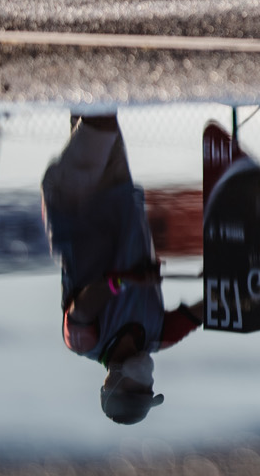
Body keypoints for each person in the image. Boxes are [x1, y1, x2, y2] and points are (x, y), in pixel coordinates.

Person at [40, 115, 203, 424]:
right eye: (149, 389)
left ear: (111, 384)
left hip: (75, 204)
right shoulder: (159, 336)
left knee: (100, 120)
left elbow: (83, 305)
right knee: (99, 110)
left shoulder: (85, 342)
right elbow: (213, 308)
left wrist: (129, 281)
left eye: (137, 389)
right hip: (118, 195)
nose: (147, 382)